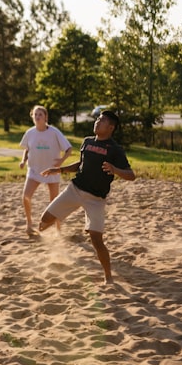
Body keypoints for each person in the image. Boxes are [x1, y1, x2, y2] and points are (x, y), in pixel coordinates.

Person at [38, 110, 135, 284]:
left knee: (97, 240)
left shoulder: (115, 149)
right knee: (43, 223)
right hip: (74, 190)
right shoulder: (87, 141)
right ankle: (58, 243)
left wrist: (114, 169)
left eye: (102, 120)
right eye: (98, 118)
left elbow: (131, 175)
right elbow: (80, 165)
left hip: (95, 200)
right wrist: (59, 169)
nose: (97, 121)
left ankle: (108, 278)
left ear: (111, 127)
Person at [19, 105, 72, 237]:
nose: (37, 117)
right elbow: (27, 149)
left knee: (54, 202)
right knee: (26, 196)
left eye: (40, 115)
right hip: (34, 170)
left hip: (52, 171)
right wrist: (23, 161)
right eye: (35, 114)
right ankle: (29, 224)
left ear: (45, 117)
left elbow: (69, 149)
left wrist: (61, 161)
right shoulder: (30, 133)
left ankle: (58, 228)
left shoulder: (54, 132)